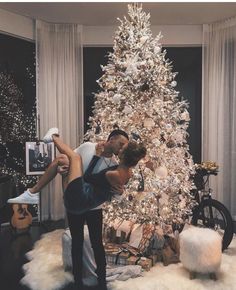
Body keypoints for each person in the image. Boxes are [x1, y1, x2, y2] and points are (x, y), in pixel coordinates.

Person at [8, 128, 130, 289]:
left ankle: (102, 281)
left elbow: (113, 194)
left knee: (97, 244)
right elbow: (72, 166)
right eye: (121, 144)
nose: (121, 149)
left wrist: (120, 193)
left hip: (94, 208)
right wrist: (62, 170)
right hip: (76, 203)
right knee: (76, 242)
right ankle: (77, 281)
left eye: (124, 147)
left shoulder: (114, 165)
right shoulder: (87, 147)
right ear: (111, 139)